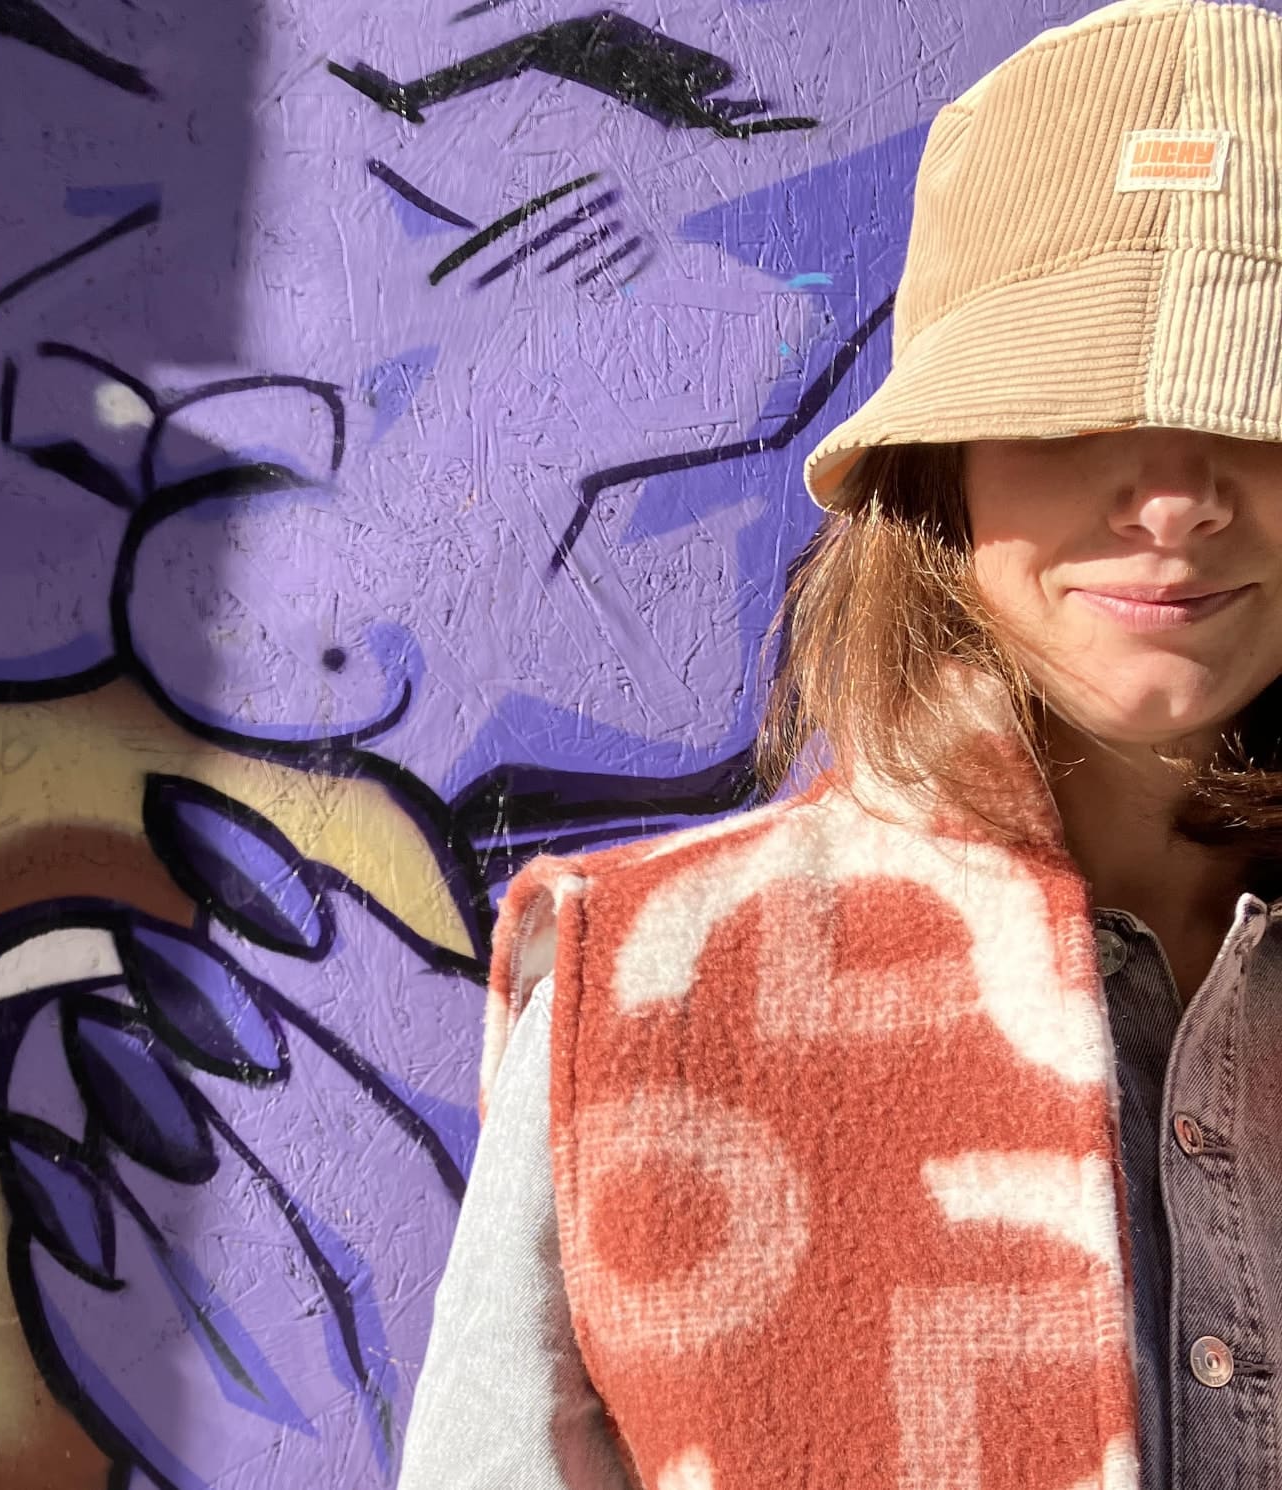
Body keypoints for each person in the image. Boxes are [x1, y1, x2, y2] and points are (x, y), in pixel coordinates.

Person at [398, 2, 1282, 1487]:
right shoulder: (651, 996)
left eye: (1254, 402)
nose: (1177, 496)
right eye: (1071, 405)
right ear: (943, 463)